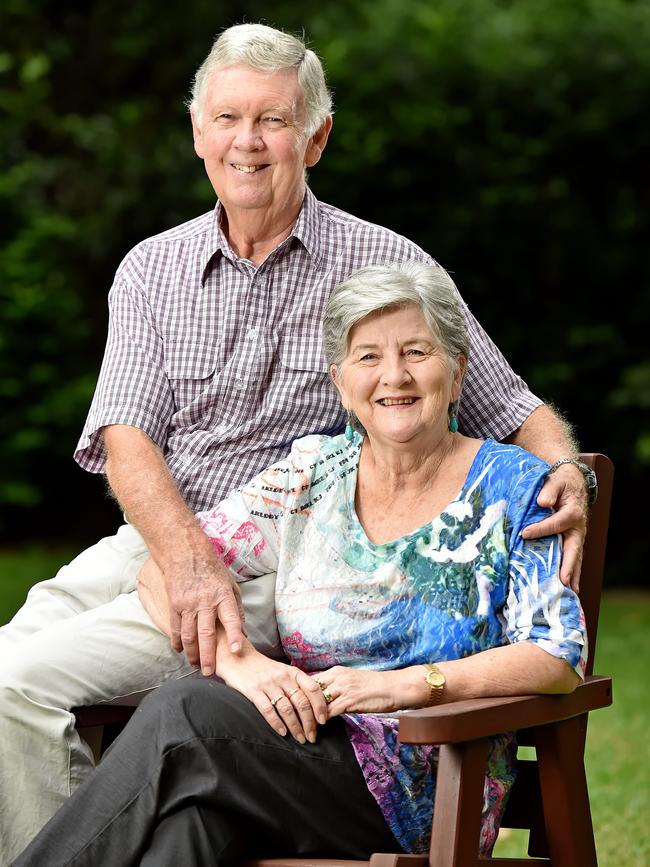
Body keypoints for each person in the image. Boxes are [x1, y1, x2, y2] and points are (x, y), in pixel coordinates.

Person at [0, 23, 592, 864]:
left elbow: (508, 403)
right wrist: (183, 558)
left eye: (273, 120)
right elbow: (126, 438)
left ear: (315, 137)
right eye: (228, 118)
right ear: (198, 129)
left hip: (298, 555)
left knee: (33, 690)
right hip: (177, 534)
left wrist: (565, 467)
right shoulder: (152, 268)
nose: (248, 141)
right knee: (9, 677)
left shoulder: (385, 265)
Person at [13, 262, 587, 867]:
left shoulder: (516, 488)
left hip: (430, 777)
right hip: (303, 749)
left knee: (184, 712)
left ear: (458, 368)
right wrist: (241, 664)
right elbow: (171, 568)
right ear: (341, 383)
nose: (394, 376)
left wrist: (404, 686)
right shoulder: (314, 474)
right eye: (368, 357)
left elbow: (556, 656)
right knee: (192, 828)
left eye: (417, 351)